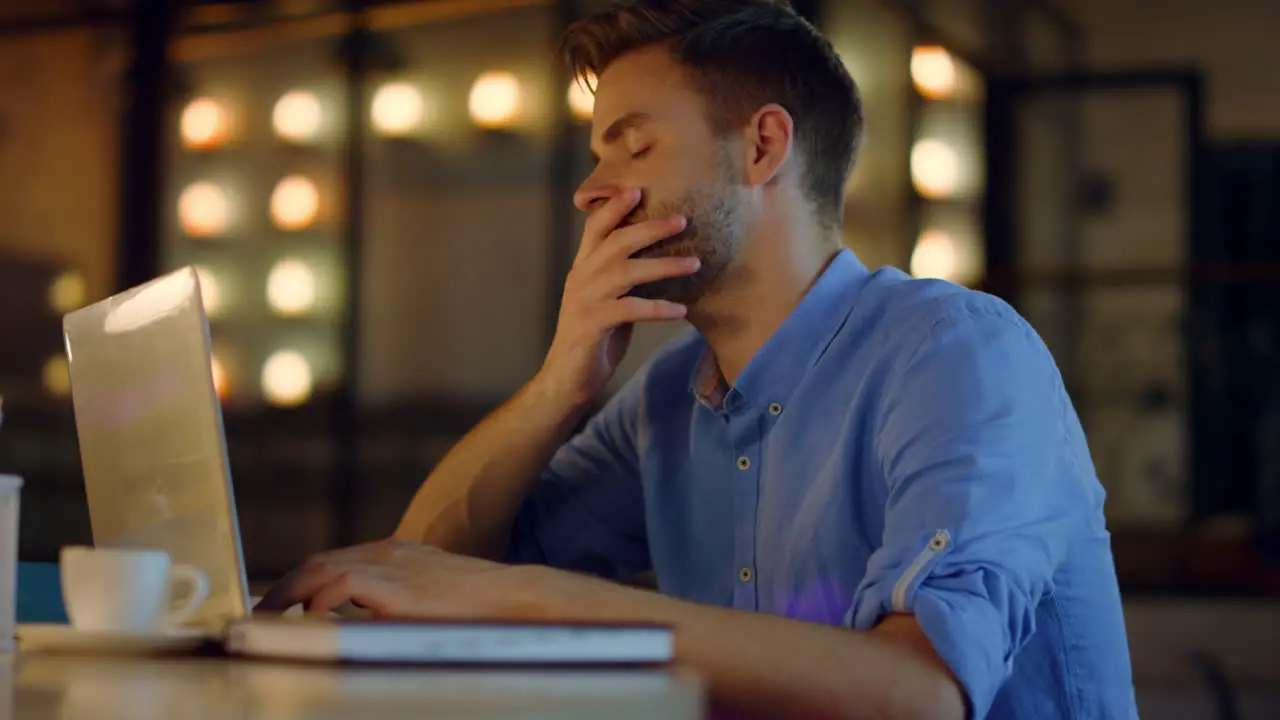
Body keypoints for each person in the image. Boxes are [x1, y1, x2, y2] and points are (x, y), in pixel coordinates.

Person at [257, 1, 1139, 717]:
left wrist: (533, 599)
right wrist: (558, 384)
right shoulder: (668, 398)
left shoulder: (955, 352)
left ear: (763, 147)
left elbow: (919, 694)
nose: (591, 190)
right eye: (599, 154)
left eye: (634, 145)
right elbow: (432, 573)